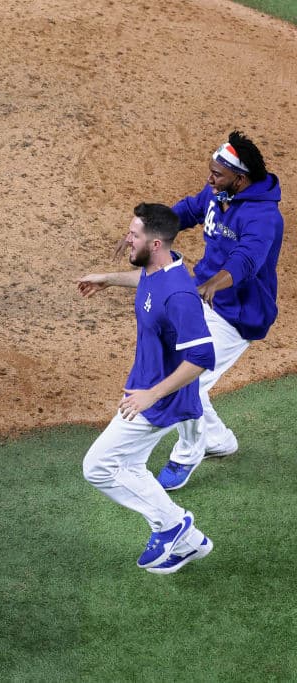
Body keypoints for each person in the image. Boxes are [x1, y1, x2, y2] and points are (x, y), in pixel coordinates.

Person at [78, 203, 216, 574]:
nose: (127, 239)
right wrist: (109, 278)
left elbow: (202, 356)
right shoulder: (161, 269)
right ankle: (186, 541)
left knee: (98, 467)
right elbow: (147, 282)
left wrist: (152, 395)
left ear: (155, 243)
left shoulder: (180, 295)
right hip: (145, 391)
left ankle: (172, 525)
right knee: (133, 466)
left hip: (158, 401)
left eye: (134, 235)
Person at [153, 131, 284, 489]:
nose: (210, 179)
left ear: (240, 180)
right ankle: (219, 441)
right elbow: (189, 210)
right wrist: (154, 230)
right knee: (176, 368)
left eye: (217, 174)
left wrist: (215, 282)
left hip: (239, 315)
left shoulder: (263, 217)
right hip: (207, 302)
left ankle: (188, 452)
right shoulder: (219, 195)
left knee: (187, 380)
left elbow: (248, 259)